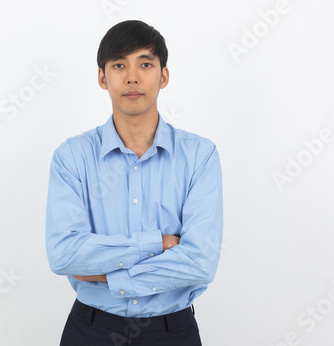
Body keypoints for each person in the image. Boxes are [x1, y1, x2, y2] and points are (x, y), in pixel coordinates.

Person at [45, 19, 223, 346]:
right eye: (118, 65)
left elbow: (200, 262)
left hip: (173, 332)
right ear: (102, 77)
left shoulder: (200, 156)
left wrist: (110, 274)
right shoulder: (72, 157)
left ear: (163, 75)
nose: (132, 76)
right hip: (91, 330)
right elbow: (64, 255)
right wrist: (158, 243)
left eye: (145, 63)